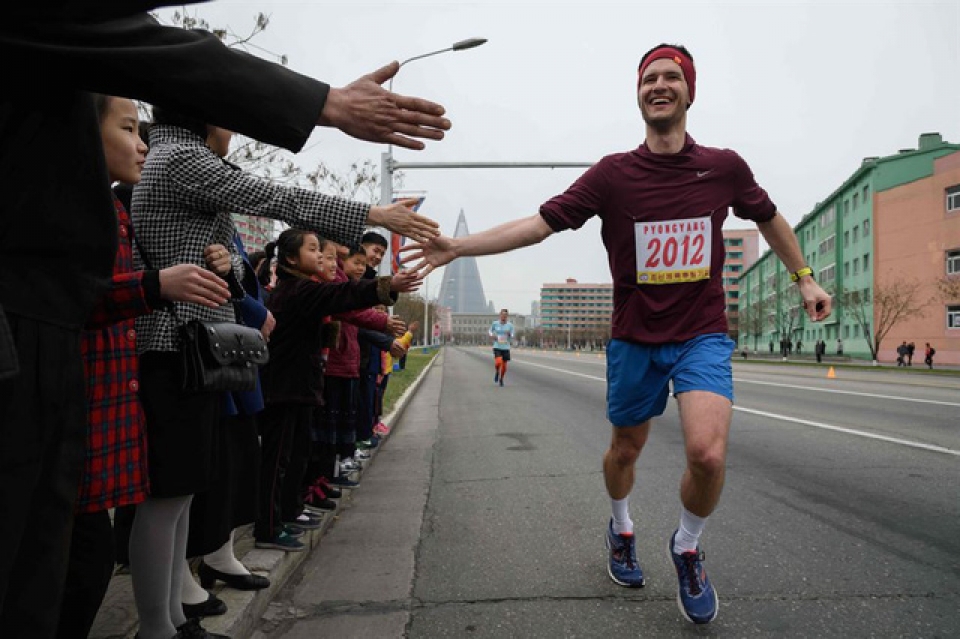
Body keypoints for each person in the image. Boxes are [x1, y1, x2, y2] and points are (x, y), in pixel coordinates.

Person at [0, 8, 451, 636]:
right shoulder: (181, 158)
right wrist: (370, 209)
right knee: (151, 500)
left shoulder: (180, 162)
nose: (236, 132)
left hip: (191, 345)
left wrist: (227, 265)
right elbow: (277, 198)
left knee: (180, 491)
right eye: (230, 116)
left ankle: (176, 600)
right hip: (171, 344)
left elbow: (240, 251)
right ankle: (161, 620)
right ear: (207, 109)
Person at [402, 43, 832, 625]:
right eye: (649, 78)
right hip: (634, 338)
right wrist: (458, 245)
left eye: (671, 77)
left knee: (707, 453)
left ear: (689, 92)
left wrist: (804, 278)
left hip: (701, 333)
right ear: (638, 94)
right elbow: (537, 226)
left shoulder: (724, 167)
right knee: (624, 450)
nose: (659, 85)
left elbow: (768, 216)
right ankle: (622, 526)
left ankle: (686, 546)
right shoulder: (613, 174)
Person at [55, 94, 231, 639]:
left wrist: (220, 264)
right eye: (129, 129)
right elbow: (72, 294)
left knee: (169, 499)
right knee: (135, 516)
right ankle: (160, 622)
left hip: (131, 374)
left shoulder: (113, 203)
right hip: (134, 370)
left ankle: (172, 616)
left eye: (142, 130)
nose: (141, 143)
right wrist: (156, 285)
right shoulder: (76, 202)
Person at [489, 309, 515, 387]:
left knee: (504, 367)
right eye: (502, 314)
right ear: (500, 315)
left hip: (506, 347)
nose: (504, 316)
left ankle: (501, 379)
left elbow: (513, 335)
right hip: (497, 346)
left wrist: (510, 334)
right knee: (498, 362)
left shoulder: (510, 325)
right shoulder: (495, 323)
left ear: (507, 316)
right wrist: (492, 335)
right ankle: (497, 371)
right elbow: (490, 331)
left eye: (505, 315)